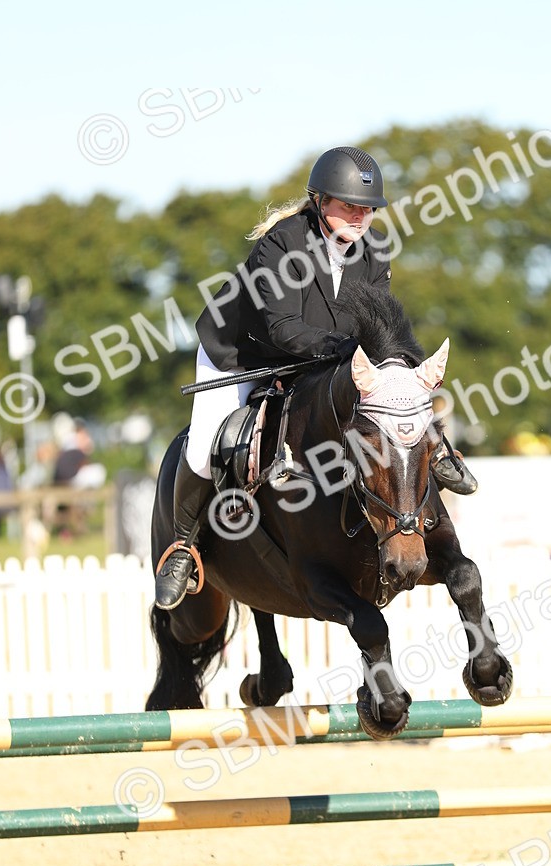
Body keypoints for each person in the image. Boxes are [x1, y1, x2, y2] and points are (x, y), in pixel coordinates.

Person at [155, 145, 477, 611]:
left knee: (389, 404)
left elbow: (381, 325)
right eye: (349, 205)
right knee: (206, 443)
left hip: (323, 358)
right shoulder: (282, 244)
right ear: (320, 202)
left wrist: (406, 370)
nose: (360, 216)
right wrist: (344, 350)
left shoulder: (375, 250)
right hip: (241, 352)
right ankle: (183, 548)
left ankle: (439, 451)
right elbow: (281, 328)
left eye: (367, 208)